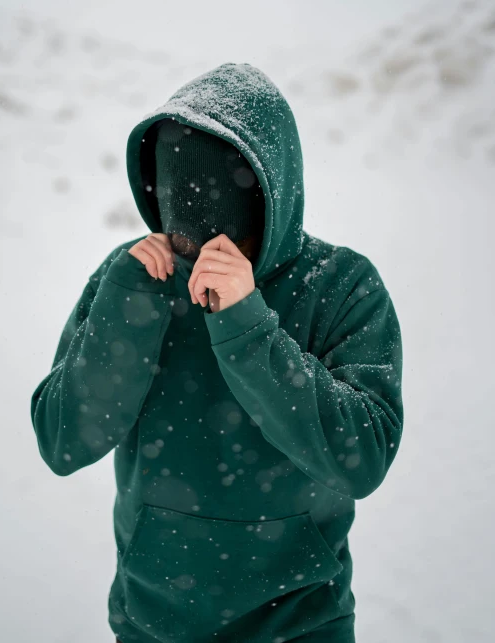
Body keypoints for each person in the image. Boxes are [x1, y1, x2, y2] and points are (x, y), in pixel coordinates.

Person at [31, 62, 404, 643]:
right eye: (183, 230)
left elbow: (364, 457)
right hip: (153, 624)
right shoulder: (132, 277)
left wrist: (246, 324)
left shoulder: (340, 285)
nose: (200, 249)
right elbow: (62, 442)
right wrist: (125, 311)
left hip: (301, 624)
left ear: (270, 192)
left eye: (230, 234)